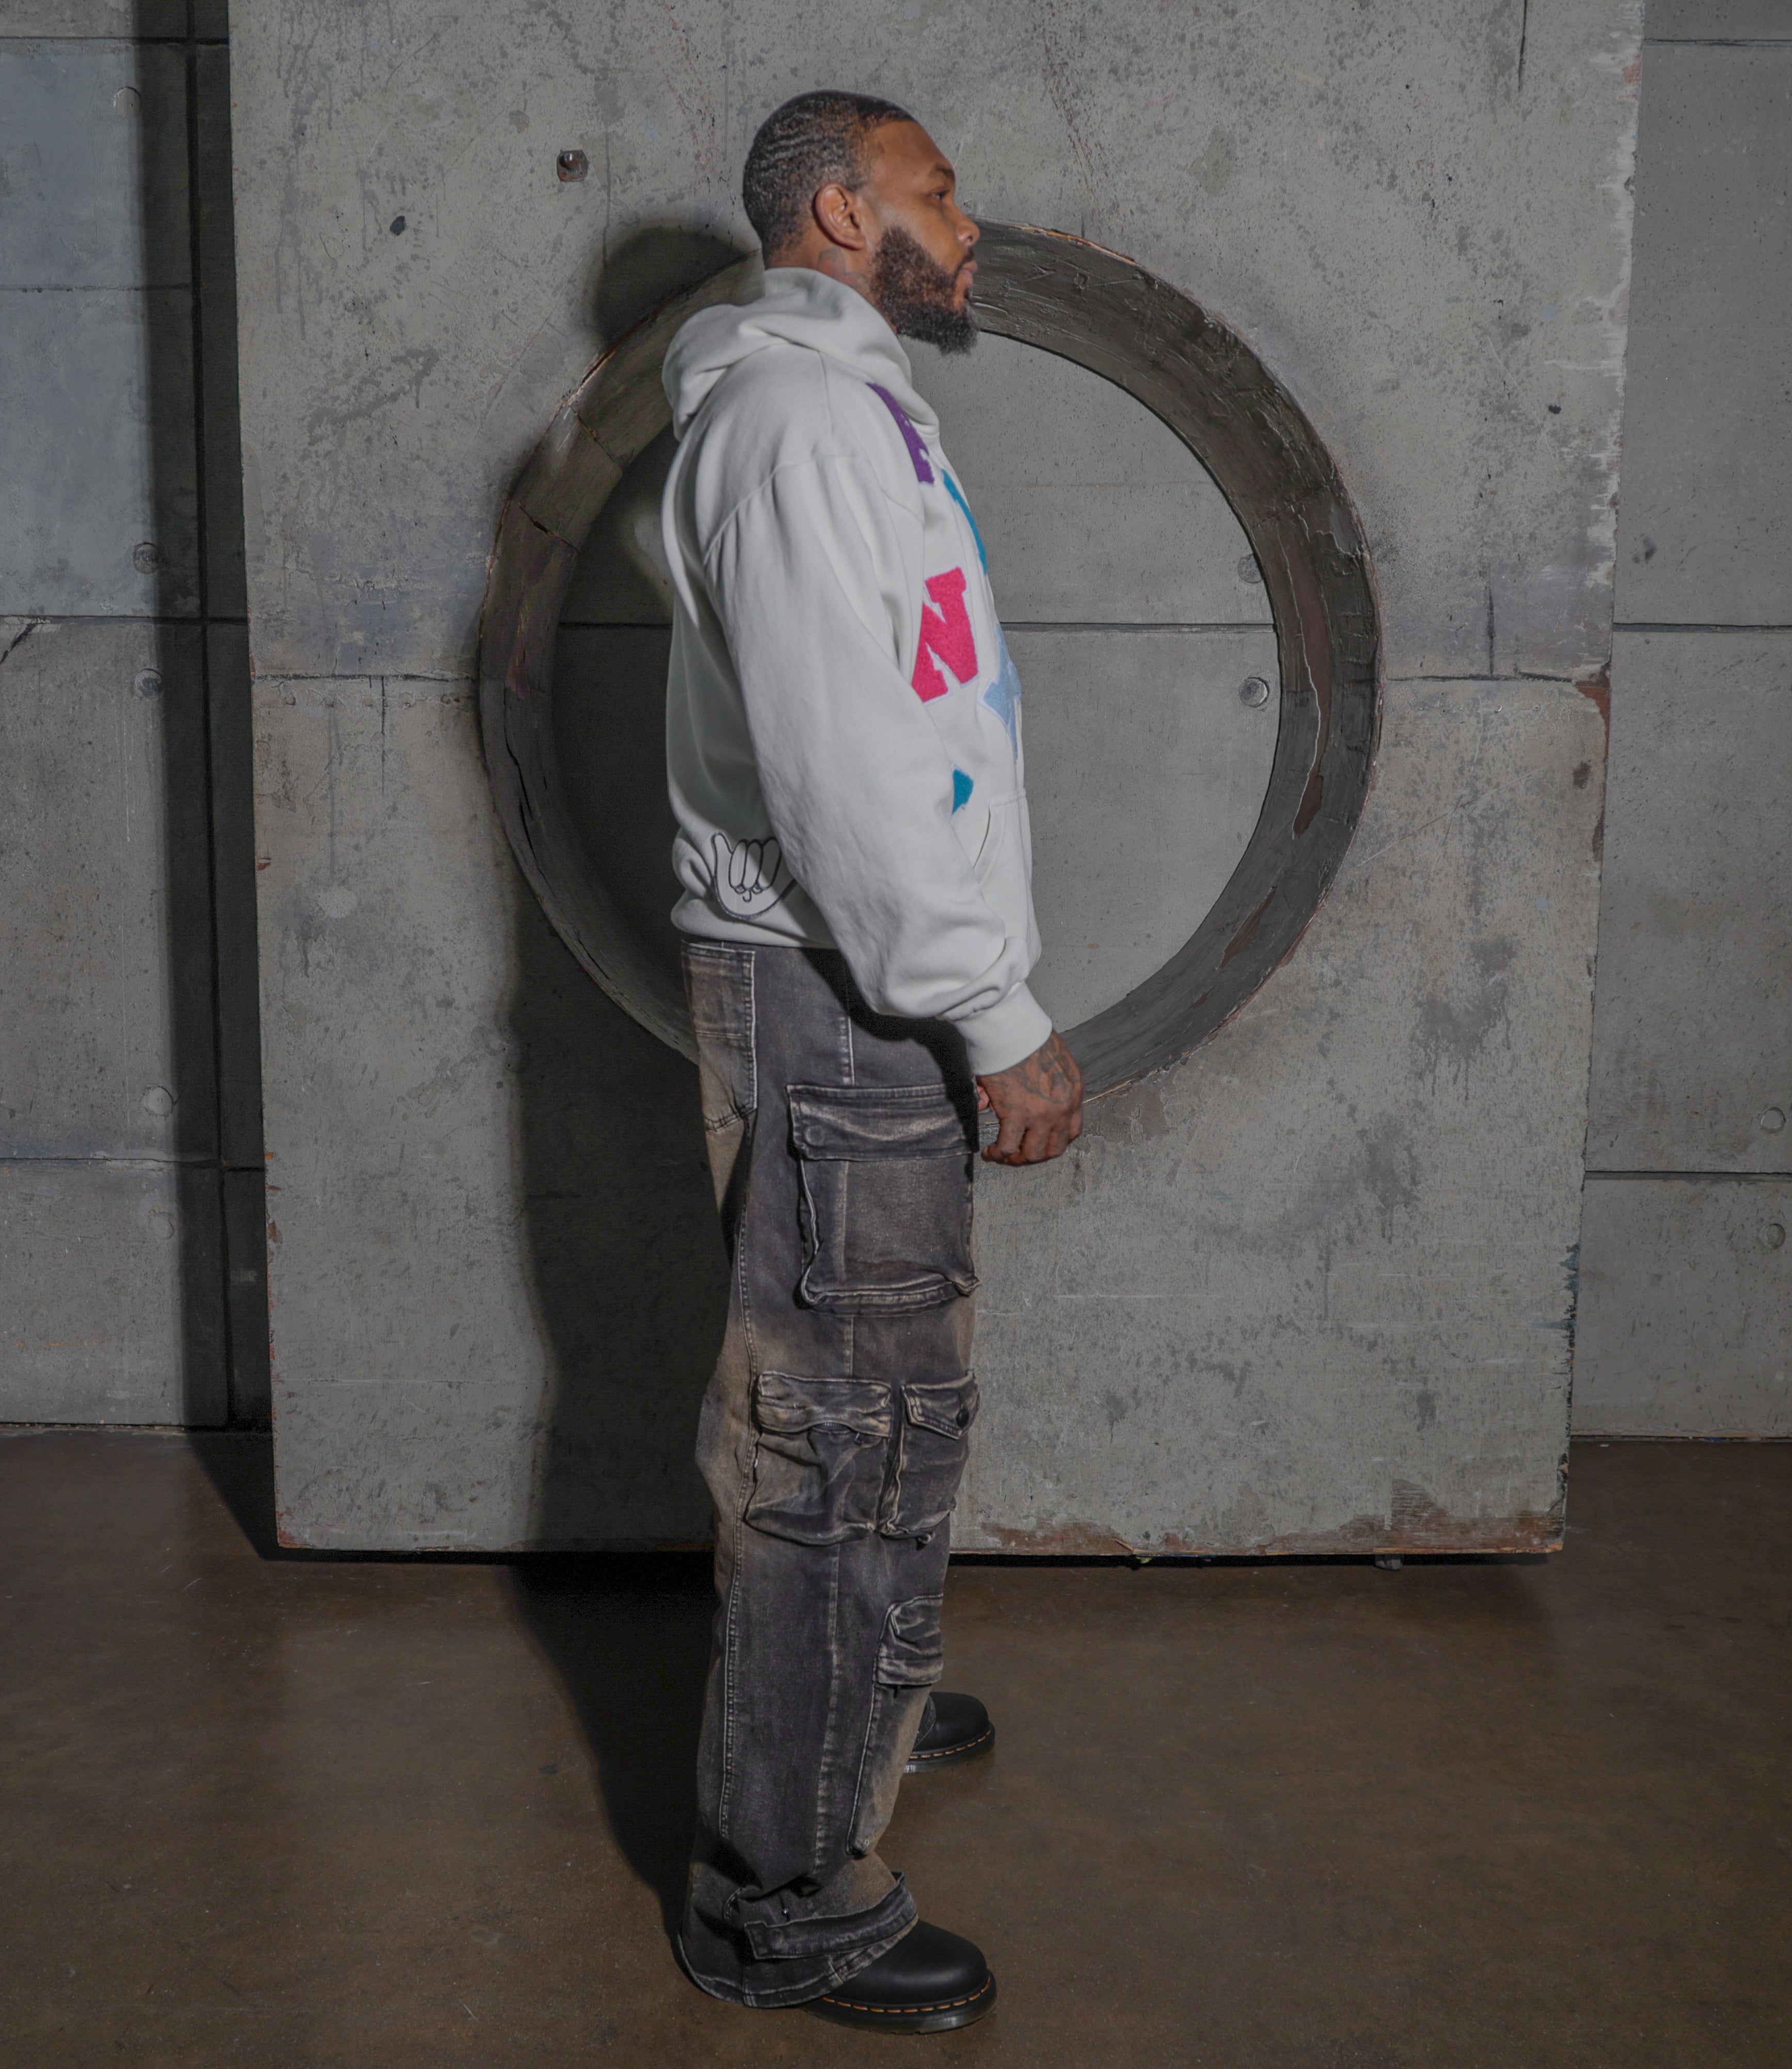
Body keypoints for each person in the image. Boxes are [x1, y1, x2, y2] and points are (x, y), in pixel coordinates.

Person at [658, 88, 1085, 2034]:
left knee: (877, 1406)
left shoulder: (845, 403)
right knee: (843, 1435)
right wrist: (990, 1009)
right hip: (844, 986)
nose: (967, 222)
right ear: (843, 213)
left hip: (853, 984)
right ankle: (784, 1902)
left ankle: (856, 1699)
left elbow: (910, 713)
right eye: (937, 190)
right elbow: (849, 770)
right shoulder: (801, 421)